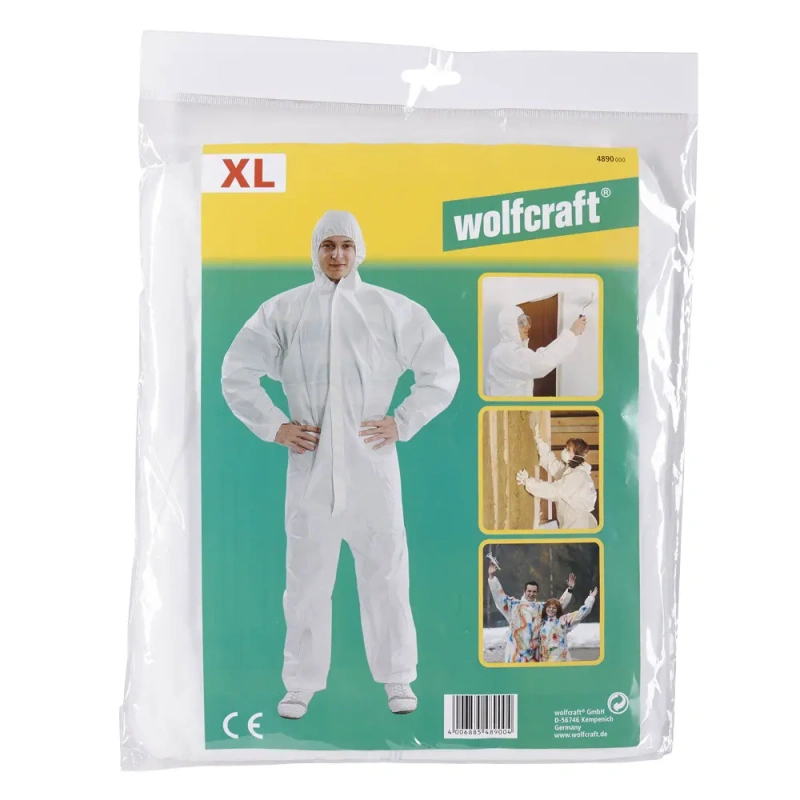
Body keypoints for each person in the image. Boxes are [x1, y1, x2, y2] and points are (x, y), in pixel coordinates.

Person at [221, 210, 460, 719]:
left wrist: (403, 421)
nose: (337, 255)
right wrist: (275, 425)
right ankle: (300, 683)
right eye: (328, 245)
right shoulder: (284, 311)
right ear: (315, 250)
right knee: (306, 582)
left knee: (387, 575)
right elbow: (236, 371)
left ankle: (398, 677)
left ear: (359, 250)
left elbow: (442, 369)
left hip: (372, 467)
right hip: (310, 470)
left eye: (346, 245)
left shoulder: (389, 309)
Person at [485, 306, 586, 397]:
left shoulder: (511, 350)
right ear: (509, 327)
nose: (527, 326)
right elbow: (540, 363)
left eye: (526, 321)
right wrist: (571, 333)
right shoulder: (505, 352)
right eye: (521, 323)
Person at [486, 563, 575, 663]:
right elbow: (499, 596)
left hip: (533, 657)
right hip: (515, 656)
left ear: (537, 592)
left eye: (534, 591)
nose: (531, 594)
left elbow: (558, 605)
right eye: (529, 591)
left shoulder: (541, 607)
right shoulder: (514, 605)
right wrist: (492, 578)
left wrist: (569, 590)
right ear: (524, 591)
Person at [516, 437, 598, 529]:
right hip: (571, 524)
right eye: (565, 448)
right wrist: (540, 444)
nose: (564, 451)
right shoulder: (572, 471)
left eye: (568, 449)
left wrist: (528, 482)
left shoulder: (578, 476)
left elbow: (555, 490)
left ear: (577, 454)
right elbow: (553, 465)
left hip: (577, 526)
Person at [538, 588, 598, 662]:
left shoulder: (564, 620)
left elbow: (581, 613)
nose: (551, 609)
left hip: (561, 659)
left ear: (558, 609)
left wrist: (590, 599)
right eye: (549, 607)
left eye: (554, 608)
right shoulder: (541, 621)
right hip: (545, 660)